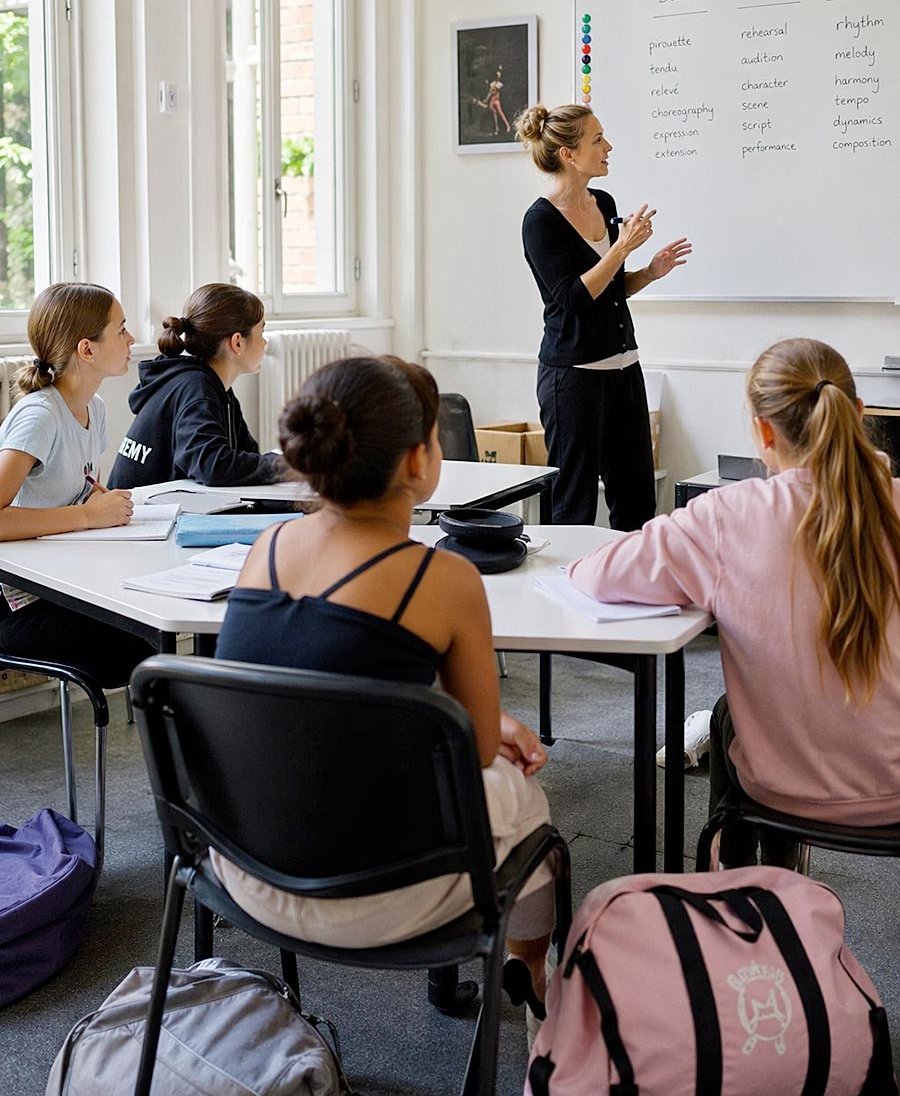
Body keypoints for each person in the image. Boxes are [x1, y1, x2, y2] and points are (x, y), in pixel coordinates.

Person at [214, 354, 557, 1022]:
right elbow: (479, 750)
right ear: (417, 460)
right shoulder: (445, 578)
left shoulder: (267, 547)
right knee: (525, 790)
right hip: (378, 897)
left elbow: (327, 679)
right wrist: (485, 725)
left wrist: (458, 715)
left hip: (241, 873)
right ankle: (532, 978)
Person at [567, 337, 900, 866]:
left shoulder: (727, 516)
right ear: (858, 413)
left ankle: (737, 878)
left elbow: (597, 575)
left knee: (729, 716)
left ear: (763, 432)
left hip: (783, 794)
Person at [518, 104, 692, 527]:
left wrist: (649, 272)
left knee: (637, 503)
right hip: (573, 378)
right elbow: (574, 299)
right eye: (598, 140)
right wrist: (622, 247)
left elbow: (612, 287)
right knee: (572, 507)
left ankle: (630, 589)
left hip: (624, 372)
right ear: (569, 155)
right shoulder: (539, 222)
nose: (608, 147)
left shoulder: (605, 202)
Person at [0, 283, 150, 687]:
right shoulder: (40, 415)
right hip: (19, 603)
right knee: (142, 645)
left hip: (62, 579)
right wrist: (86, 516)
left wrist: (99, 507)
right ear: (87, 349)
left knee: (148, 631)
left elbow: (82, 490)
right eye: (121, 330)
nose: (132, 339)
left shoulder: (93, 409)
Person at [109, 283, 280, 488]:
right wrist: (284, 466)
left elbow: (246, 456)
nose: (265, 343)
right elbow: (212, 466)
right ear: (237, 343)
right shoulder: (197, 390)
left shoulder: (214, 388)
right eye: (261, 332)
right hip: (141, 517)